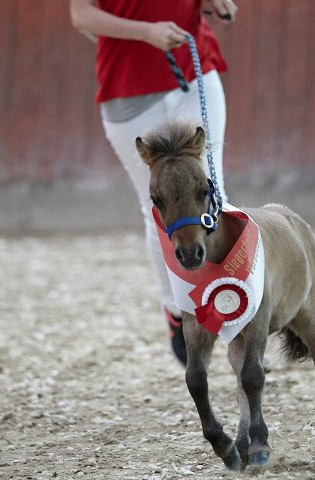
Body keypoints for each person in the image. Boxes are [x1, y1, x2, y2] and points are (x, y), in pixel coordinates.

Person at [70, 0, 238, 366]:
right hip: (129, 85)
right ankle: (177, 312)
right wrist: (147, 32)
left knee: (212, 193)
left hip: (194, 70)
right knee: (157, 209)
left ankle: (234, 314)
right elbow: (80, 14)